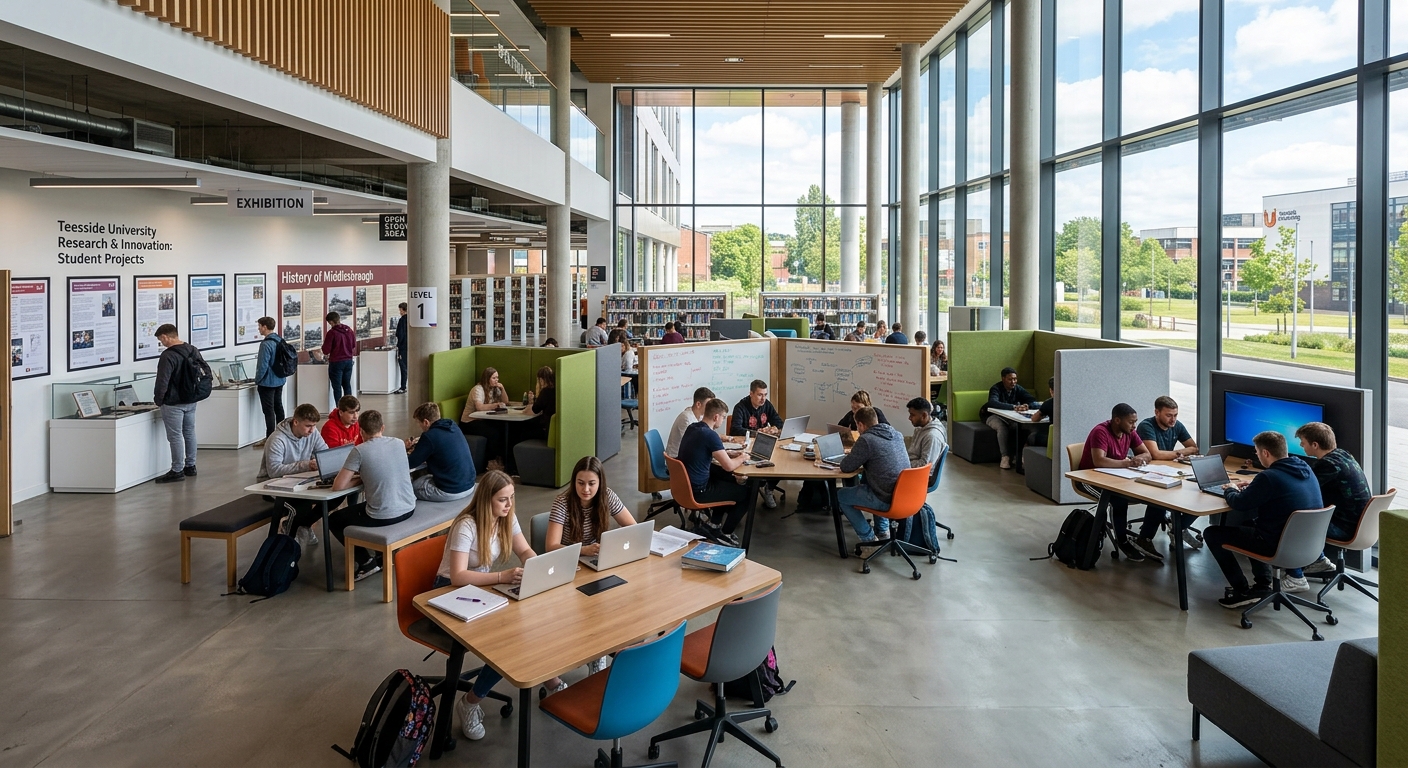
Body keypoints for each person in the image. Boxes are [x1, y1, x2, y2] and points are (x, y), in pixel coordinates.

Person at [435, 471, 567, 741]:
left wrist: (536, 564)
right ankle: (470, 702)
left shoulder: (507, 517)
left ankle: (550, 678)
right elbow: (457, 576)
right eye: (503, 500)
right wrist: (501, 577)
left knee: (536, 619)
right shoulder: (466, 526)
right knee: (510, 642)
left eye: (512, 498)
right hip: (450, 592)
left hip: (481, 590)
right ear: (487, 500)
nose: (509, 505)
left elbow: (525, 550)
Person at [1204, 431, 1324, 608]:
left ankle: (1242, 591)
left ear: (1266, 453)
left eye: (1257, 452)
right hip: (1309, 545)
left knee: (1212, 533)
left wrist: (1230, 488)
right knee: (1248, 523)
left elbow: (1239, 503)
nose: (1257, 456)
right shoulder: (1304, 467)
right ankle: (1262, 585)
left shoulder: (1269, 477)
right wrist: (1255, 487)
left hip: (1278, 545)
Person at [330, 409, 416, 582]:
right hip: (409, 507)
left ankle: (366, 563)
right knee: (373, 503)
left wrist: (362, 478)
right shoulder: (399, 443)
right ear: (382, 427)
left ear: (361, 431)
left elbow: (338, 486)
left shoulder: (359, 451)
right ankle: (380, 557)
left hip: (384, 515)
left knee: (334, 520)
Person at [1076, 403, 1153, 562]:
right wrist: (1128, 462)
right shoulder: (1100, 431)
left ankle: (1145, 537)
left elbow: (1147, 453)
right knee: (1117, 500)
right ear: (1117, 420)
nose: (1134, 426)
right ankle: (1122, 541)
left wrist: (1139, 458)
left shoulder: (1130, 432)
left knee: (1151, 492)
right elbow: (1099, 461)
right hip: (1088, 479)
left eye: (1135, 421)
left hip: (1115, 478)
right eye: (1131, 422)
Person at [1294, 421, 1371, 576]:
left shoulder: (1328, 465)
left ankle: (1297, 573)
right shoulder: (1343, 454)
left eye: (1303, 442)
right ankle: (1317, 560)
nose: (1301, 445)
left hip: (1346, 527)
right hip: (1363, 524)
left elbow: (1302, 488)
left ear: (1315, 445)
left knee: (1293, 522)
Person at [1130, 396, 1201, 560]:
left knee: (1200, 491)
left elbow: (1194, 448)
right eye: (1169, 415)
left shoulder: (1177, 425)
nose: (1173, 419)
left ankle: (1178, 528)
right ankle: (1144, 538)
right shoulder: (1146, 426)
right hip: (1146, 473)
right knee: (1161, 497)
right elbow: (1155, 454)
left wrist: (1174, 454)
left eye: (1175, 415)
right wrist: (1179, 454)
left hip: (1168, 471)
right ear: (1157, 412)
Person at [676, 398, 750, 545]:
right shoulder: (711, 435)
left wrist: (728, 453)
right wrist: (743, 457)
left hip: (685, 486)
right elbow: (729, 466)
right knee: (746, 494)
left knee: (725, 479)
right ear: (716, 417)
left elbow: (705, 451)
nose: (723, 421)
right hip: (699, 491)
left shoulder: (693, 427)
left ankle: (714, 524)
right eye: (723, 417)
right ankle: (725, 532)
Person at [258, 403, 330, 550]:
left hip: (300, 481)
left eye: (314, 426)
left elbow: (324, 453)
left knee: (333, 498)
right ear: (295, 422)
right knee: (303, 503)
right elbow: (274, 471)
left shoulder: (313, 433)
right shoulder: (277, 439)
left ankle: (304, 525)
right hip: (272, 486)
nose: (312, 430)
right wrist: (306, 465)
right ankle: (291, 535)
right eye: (308, 426)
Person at [837, 407, 911, 544]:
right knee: (877, 481)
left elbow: (846, 467)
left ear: (860, 424)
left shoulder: (866, 440)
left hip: (884, 498)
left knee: (840, 496)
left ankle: (869, 539)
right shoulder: (897, 434)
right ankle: (882, 531)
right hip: (905, 496)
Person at [152, 324, 207, 484]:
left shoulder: (167, 356)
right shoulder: (192, 349)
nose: (162, 343)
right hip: (191, 399)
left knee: (175, 436)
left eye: (161, 340)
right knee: (189, 432)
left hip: (173, 402)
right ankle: (190, 466)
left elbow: (163, 380)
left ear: (165, 336)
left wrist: (158, 399)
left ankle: (177, 470)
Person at [407, 402, 476, 502]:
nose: (419, 426)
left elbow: (411, 463)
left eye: (419, 423)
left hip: (451, 491)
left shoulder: (429, 436)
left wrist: (404, 448)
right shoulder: (453, 426)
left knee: (414, 485)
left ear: (426, 422)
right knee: (426, 477)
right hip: (469, 485)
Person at [983, 367, 1039, 470]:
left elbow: (1032, 399)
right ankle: (1005, 457)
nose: (1013, 382)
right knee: (1002, 428)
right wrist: (1013, 407)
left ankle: (1021, 455)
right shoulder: (996, 388)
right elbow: (992, 403)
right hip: (991, 415)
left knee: (1026, 428)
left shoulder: (1018, 388)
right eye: (1010, 379)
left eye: (1015, 379)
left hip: (1010, 417)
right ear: (1003, 379)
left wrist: (1027, 405)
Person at [253, 316, 287, 442]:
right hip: (280, 379)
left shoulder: (265, 344)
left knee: (268, 411)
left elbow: (262, 366)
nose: (259, 329)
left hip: (267, 383)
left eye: (260, 326)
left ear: (265, 327)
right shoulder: (280, 340)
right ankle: (283, 434)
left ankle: (270, 438)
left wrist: (257, 380)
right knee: (278, 407)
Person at [666, 386, 715, 457]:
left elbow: (707, 435)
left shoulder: (701, 416)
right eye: (708, 405)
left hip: (688, 455)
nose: (711, 408)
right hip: (677, 458)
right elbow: (693, 444)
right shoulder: (686, 418)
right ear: (698, 404)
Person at [321, 311, 357, 402]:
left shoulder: (332, 333)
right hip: (348, 361)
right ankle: (349, 406)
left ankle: (339, 407)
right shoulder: (349, 330)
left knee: (337, 387)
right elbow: (353, 345)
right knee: (347, 385)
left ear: (331, 322)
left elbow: (326, 350)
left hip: (336, 362)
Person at [907, 397, 948, 469]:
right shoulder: (920, 428)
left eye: (912, 415)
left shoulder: (932, 436)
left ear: (924, 415)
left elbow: (924, 465)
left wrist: (903, 464)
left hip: (919, 473)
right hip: (911, 466)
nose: (909, 418)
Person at [527, 365, 557, 441]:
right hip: (555, 430)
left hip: (546, 430)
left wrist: (537, 395)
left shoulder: (545, 391)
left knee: (523, 432)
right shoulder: (557, 389)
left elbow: (535, 409)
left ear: (541, 380)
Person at [393, 302, 408, 394]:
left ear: (403, 310)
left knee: (403, 367)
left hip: (403, 347)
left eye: (400, 310)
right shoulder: (412, 319)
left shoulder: (402, 320)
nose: (400, 312)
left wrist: (399, 344)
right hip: (410, 346)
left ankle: (403, 386)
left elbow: (400, 334)